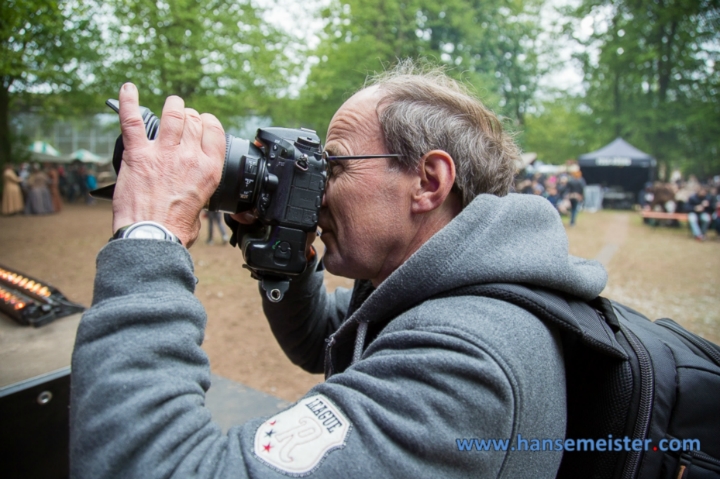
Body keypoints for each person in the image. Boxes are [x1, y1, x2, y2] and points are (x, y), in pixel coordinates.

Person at [70, 63, 607, 478]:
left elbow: (152, 467)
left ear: (428, 182)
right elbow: (328, 341)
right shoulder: (445, 286)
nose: (317, 188)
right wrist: (281, 250)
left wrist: (151, 233)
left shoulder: (468, 357)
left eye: (335, 165)